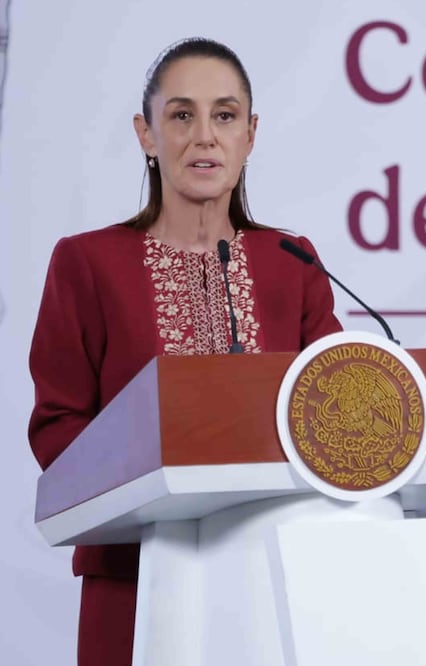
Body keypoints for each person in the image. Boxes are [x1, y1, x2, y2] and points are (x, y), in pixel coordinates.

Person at [27, 37, 343, 665]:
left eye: (224, 116)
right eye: (181, 115)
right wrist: (155, 482)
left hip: (275, 575)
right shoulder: (88, 262)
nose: (205, 137)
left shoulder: (293, 262)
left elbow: (333, 410)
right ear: (146, 134)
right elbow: (58, 427)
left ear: (250, 136)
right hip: (134, 576)